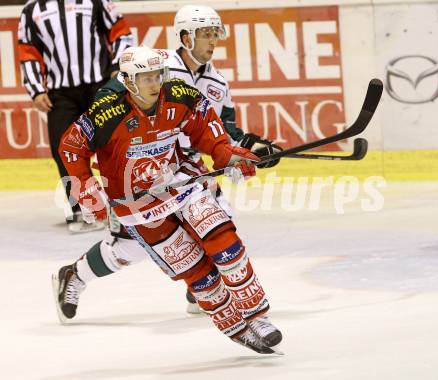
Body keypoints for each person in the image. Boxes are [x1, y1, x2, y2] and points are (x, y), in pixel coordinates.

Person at [52, 46, 283, 354]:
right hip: (136, 204)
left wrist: (226, 154)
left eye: (156, 75)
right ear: (129, 81)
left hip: (177, 182)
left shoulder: (179, 96)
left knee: (221, 235)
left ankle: (257, 315)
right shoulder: (107, 111)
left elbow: (206, 129)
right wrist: (87, 189)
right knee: (194, 271)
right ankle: (236, 327)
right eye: (145, 78)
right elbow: (71, 146)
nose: (153, 83)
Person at [98, 4, 282, 312]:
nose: (213, 42)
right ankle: (75, 276)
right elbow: (108, 101)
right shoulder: (156, 64)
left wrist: (251, 147)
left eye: (215, 35)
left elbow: (225, 130)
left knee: (219, 218)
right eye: (206, 34)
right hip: (143, 166)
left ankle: (201, 290)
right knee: (132, 247)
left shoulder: (217, 84)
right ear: (185, 37)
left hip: (185, 167)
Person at [18, 0, 133, 232]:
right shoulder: (31, 9)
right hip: (60, 93)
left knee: (113, 143)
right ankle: (86, 208)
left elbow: (120, 32)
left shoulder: (96, 1)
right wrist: (36, 89)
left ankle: (123, 206)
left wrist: (118, 67)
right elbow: (28, 51)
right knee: (63, 148)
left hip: (100, 86)